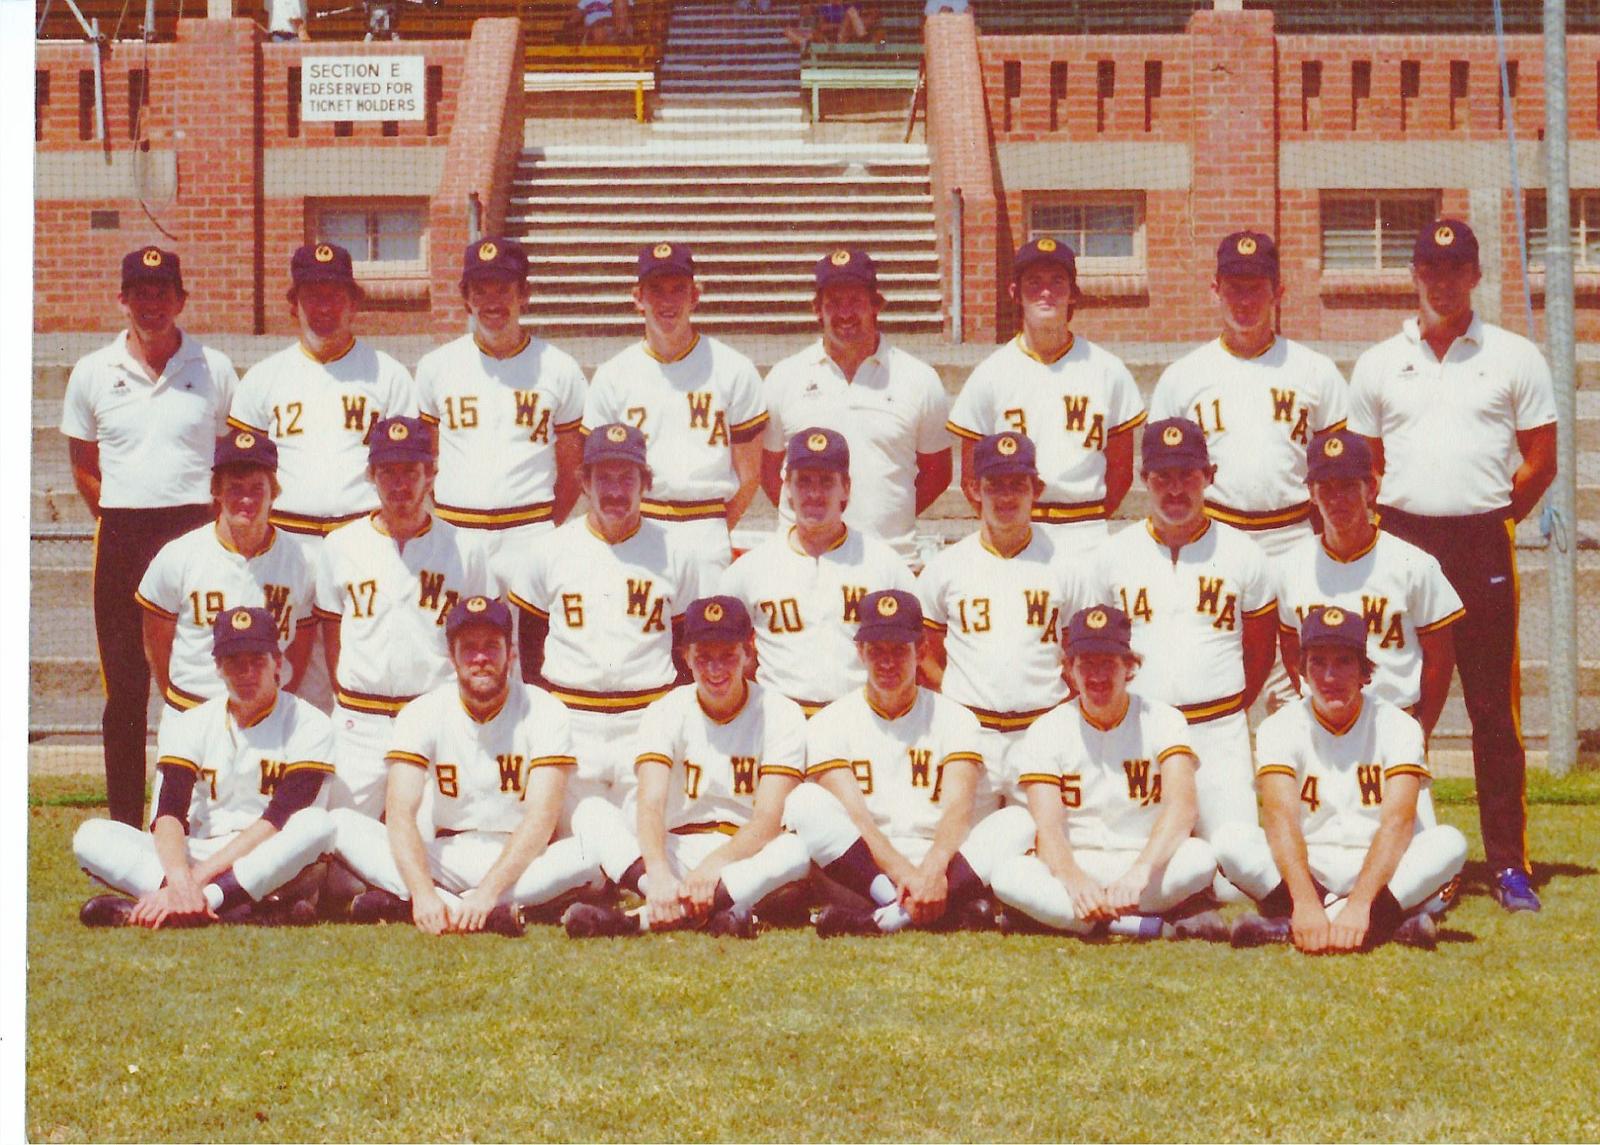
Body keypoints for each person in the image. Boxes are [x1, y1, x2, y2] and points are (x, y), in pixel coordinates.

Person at [1348, 218, 1558, 913]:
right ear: (1413, 274)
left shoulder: (1514, 355)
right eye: (1429, 268)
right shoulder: (1379, 361)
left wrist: (1495, 513)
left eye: (1455, 267)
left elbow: (1540, 459)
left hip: (1480, 542)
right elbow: (1366, 464)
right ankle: (1380, 848)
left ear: (1475, 275)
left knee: (1492, 708)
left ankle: (1508, 865)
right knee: (1398, 700)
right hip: (1403, 541)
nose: (1442, 280)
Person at [60, 245, 239, 826]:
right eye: (140, 293)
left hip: (194, 532)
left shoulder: (214, 368)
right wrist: (117, 514)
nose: (152, 304)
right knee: (127, 688)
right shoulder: (93, 371)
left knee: (203, 678)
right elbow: (84, 462)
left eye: (163, 293)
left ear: (182, 299)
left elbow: (229, 456)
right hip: (123, 535)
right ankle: (123, 827)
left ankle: (207, 816)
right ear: (123, 299)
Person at [1150, 230, 1348, 709]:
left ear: (1278, 291)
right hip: (1213, 535)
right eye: (1234, 287)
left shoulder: (1315, 371)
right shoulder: (1184, 376)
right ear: (1214, 290)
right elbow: (1159, 476)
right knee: (1207, 662)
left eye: (1256, 286)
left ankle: (1298, 781)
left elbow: (1340, 472)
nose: (1245, 299)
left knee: (1298, 678)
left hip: (1292, 534)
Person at [328, 596, 601, 936]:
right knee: (340, 823)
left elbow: (541, 819)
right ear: (451, 659)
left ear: (511, 654)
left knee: (589, 856)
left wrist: (487, 893)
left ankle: (447, 906)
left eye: (492, 646)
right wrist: (424, 893)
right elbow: (400, 813)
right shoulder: (423, 711)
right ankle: (471, 908)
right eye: (468, 648)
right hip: (447, 856)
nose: (481, 658)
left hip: (523, 859)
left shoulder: (545, 709)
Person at [781, 590, 1035, 936]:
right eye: (876, 651)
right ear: (859, 652)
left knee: (1018, 821)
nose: (887, 663)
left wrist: (931, 870)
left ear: (922, 651)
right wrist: (906, 877)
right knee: (803, 802)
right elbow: (859, 821)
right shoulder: (830, 720)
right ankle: (930, 909)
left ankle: (884, 919)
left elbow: (958, 811)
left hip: (942, 866)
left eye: (899, 650)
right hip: (865, 870)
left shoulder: (956, 717)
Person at [1216, 606, 1468, 951]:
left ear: (1365, 671)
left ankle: (1292, 926)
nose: (1329, 676)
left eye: (1343, 662)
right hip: (1311, 865)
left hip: (1381, 868)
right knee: (1231, 840)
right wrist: (1305, 901)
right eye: (1317, 662)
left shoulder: (1399, 725)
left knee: (1449, 843)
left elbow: (1398, 823)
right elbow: (1280, 818)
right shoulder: (1279, 726)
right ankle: (1387, 926)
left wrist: (1361, 904)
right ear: (1301, 670)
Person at [564, 597, 813, 939]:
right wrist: (659, 875)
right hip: (677, 850)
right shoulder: (666, 710)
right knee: (591, 812)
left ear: (748, 652)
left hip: (742, 854)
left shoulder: (780, 712)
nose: (715, 669)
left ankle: (635, 921)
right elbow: (650, 803)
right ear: (686, 657)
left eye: (727, 655)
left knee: (796, 852)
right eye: (703, 657)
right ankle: (694, 905)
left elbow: (768, 821)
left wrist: (716, 865)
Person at [73, 606, 335, 928]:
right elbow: (168, 812)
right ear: (218, 668)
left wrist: (196, 879)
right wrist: (181, 876)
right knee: (91, 836)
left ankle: (186, 905)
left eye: (257, 661)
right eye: (234, 662)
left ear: (278, 663)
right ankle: (233, 909)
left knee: (317, 824)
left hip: (272, 855)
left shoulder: (310, 724)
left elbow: (277, 820)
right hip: (203, 850)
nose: (247, 673)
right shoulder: (194, 722)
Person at [506, 424, 707, 821]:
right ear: (583, 481)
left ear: (645, 482)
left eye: (627, 478)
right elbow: (530, 647)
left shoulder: (676, 553)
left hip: (646, 719)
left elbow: (684, 650)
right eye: (604, 478)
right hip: (572, 718)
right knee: (580, 855)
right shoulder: (548, 550)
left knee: (643, 843)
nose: (615, 490)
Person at [986, 605, 1224, 939]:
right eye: (1087, 664)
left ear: (1129, 666)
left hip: (1144, 864)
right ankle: (1147, 924)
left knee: (1199, 858)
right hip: (1075, 864)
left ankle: (1062, 919)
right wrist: (1073, 880)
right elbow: (1048, 828)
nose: (1097, 676)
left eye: (1108, 663)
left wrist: (1140, 872)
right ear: (1069, 669)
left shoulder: (1163, 719)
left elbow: (1182, 808)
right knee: (1007, 875)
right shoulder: (1047, 728)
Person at [1091, 418, 1276, 842]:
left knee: (1236, 863)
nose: (1176, 490)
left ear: (1209, 476)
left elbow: (1260, 652)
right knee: (1137, 852)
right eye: (1163, 477)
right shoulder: (1112, 556)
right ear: (1144, 480)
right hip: (1141, 731)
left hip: (1218, 731)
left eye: (1188, 475)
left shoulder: (1244, 555)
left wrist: (1227, 707)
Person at [314, 416, 493, 817]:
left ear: (431, 474)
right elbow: (332, 633)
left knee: (433, 842)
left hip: (433, 713)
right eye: (387, 472)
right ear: (370, 475)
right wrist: (349, 696)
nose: (399, 484)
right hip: (361, 719)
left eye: (411, 472)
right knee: (339, 855)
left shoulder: (465, 547)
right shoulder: (341, 545)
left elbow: (483, 637)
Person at [917, 432, 1092, 810]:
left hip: (1040, 730)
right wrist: (954, 691)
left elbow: (1081, 655)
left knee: (1043, 847)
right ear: (973, 489)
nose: (1007, 497)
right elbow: (923, 652)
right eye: (994, 485)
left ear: (1037, 489)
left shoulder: (1066, 565)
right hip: (970, 733)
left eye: (1018, 484)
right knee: (964, 851)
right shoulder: (946, 567)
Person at [947, 237, 1144, 554]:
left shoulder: (1108, 370)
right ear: (1015, 293)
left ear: (1073, 294)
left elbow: (1120, 472)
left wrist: (1088, 520)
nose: (1046, 292)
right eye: (1033, 282)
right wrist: (1006, 527)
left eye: (1057, 282)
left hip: (1087, 531)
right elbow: (971, 477)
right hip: (1017, 532)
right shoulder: (991, 373)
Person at [584, 242, 767, 578]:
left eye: (677, 290)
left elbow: (750, 474)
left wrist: (715, 529)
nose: (667, 302)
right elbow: (590, 474)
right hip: (636, 525)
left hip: (706, 527)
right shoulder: (613, 375)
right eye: (656, 290)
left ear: (694, 297)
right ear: (638, 297)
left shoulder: (733, 369)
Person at [762, 249, 951, 562]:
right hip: (804, 560)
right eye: (833, 302)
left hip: (890, 558)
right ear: (816, 310)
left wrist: (888, 517)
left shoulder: (919, 379)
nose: (845, 313)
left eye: (855, 301)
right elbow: (769, 473)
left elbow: (937, 475)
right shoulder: (785, 377)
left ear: (876, 306)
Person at [1275, 430, 1464, 745]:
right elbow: (1292, 650)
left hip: (1394, 722)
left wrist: (1419, 731)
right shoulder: (1289, 567)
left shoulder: (1414, 564)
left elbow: (1440, 659)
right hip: (1321, 729)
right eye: (1326, 488)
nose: (1337, 500)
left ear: (1371, 488)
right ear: (1310, 492)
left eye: (1349, 486)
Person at [414, 237, 585, 582]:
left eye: (503, 290)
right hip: (457, 532)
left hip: (529, 533)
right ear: (466, 299)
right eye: (480, 291)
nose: (492, 303)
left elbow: (572, 471)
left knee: (529, 636)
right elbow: (427, 459)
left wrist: (543, 527)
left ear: (524, 294)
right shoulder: (436, 367)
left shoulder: (559, 368)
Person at [718, 427, 915, 716]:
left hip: (858, 722)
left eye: (826, 482)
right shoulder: (750, 569)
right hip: (778, 724)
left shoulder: (884, 565)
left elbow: (917, 652)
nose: (814, 493)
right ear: (787, 488)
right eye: (803, 481)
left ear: (846, 487)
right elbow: (722, 654)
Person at [229, 242, 416, 541]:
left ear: (354, 304)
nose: (325, 308)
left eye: (335, 297)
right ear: (294, 305)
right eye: (313, 298)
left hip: (365, 536)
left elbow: (409, 469)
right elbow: (240, 473)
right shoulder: (262, 378)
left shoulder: (389, 375)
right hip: (285, 540)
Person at [136, 430, 318, 729]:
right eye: (234, 488)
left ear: (274, 492)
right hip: (193, 712)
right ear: (216, 491)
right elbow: (157, 642)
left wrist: (275, 698)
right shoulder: (179, 556)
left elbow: (301, 645)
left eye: (257, 488)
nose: (246, 499)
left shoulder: (301, 560)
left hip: (268, 719)